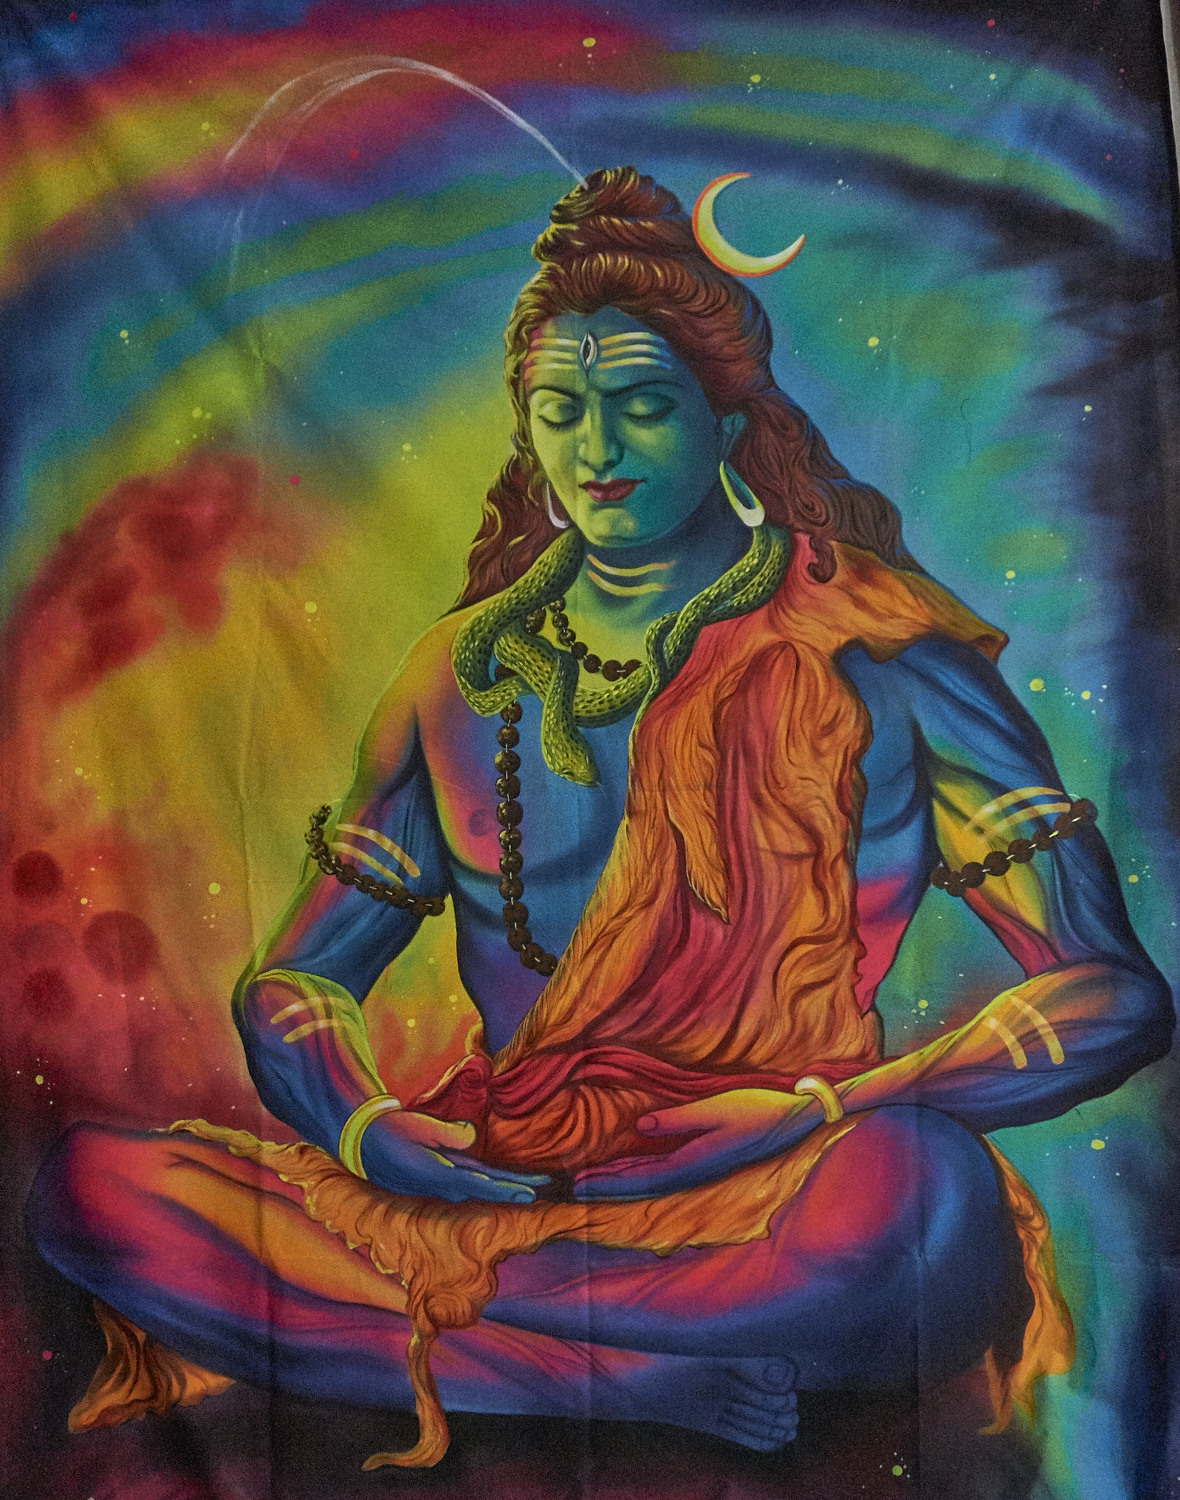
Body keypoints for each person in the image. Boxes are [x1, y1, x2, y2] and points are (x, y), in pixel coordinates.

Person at [28, 167, 1172, 1469]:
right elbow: (297, 979)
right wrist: (370, 1133)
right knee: (93, 1196)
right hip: (498, 1177)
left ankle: (471, 1342)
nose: (598, 452)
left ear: (730, 422)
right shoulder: (465, 671)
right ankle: (609, 1373)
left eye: (641, 405)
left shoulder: (880, 651)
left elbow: (1110, 993)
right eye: (561, 411)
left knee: (925, 1203)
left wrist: (819, 1108)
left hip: (774, 1186)